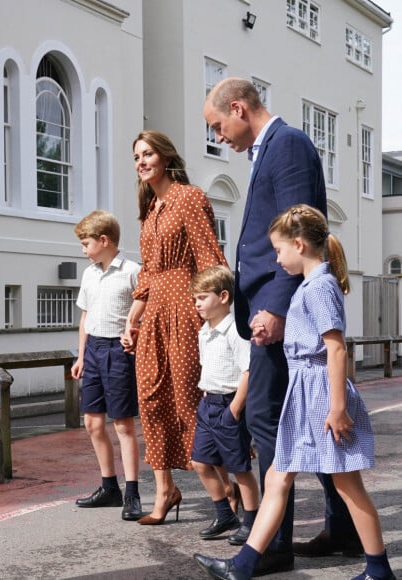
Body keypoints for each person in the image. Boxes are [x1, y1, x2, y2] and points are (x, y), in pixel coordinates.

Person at [202, 77, 360, 574]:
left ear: (239, 108)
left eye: (218, 125)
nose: (218, 136)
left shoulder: (287, 143)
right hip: (271, 306)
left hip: (279, 310)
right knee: (308, 420)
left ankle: (274, 547)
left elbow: (302, 230)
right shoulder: (265, 150)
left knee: (269, 422)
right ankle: (344, 530)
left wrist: (275, 304)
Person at [194, 204, 395, 580]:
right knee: (278, 477)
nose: (276, 258)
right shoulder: (312, 285)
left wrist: (337, 408)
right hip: (304, 390)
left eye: (279, 249)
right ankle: (244, 565)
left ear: (299, 245)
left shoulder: (319, 286)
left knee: (348, 484)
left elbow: (335, 348)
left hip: (319, 393)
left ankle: (378, 569)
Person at [121, 130, 227, 525]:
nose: (141, 162)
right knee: (150, 399)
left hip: (185, 306)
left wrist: (214, 315)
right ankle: (165, 490)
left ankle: (228, 488)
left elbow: (209, 257)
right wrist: (133, 317)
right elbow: (147, 272)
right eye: (136, 157)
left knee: (189, 399)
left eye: (147, 154)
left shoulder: (189, 197)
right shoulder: (150, 209)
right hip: (154, 313)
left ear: (165, 157)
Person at [71, 211, 143, 521]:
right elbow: (85, 318)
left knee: (123, 425)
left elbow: (144, 313)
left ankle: (133, 493)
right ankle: (109, 487)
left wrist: (133, 335)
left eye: (86, 243)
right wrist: (80, 355)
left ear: (104, 240)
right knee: (92, 423)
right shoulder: (89, 274)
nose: (83, 249)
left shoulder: (132, 271)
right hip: (94, 351)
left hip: (118, 351)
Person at [189, 266, 259, 545]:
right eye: (195, 298)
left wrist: (235, 409)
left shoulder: (235, 330)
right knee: (200, 462)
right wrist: (206, 400)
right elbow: (208, 367)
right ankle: (224, 514)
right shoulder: (205, 331)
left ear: (223, 296)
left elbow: (248, 371)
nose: (197, 304)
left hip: (230, 404)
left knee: (239, 467)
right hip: (209, 403)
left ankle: (252, 521)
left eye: (202, 297)